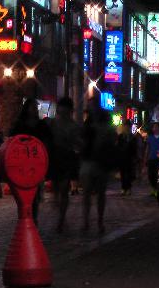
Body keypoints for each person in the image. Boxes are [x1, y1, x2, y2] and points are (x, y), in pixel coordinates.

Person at [10, 98, 53, 224]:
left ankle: (33, 219)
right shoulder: (20, 124)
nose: (34, 109)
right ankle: (23, 219)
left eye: (36, 107)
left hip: (36, 163)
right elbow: (12, 139)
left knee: (35, 194)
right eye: (32, 106)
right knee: (21, 194)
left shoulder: (41, 125)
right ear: (27, 108)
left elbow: (48, 141)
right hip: (22, 162)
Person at [80, 100, 117, 234]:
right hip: (92, 162)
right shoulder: (91, 125)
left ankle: (93, 222)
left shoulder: (96, 125)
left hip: (97, 162)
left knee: (94, 194)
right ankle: (91, 222)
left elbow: (112, 142)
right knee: (91, 194)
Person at [48, 97, 82, 232]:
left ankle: (61, 219)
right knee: (56, 190)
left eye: (64, 108)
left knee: (63, 189)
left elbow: (78, 143)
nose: (62, 110)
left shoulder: (73, 126)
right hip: (55, 157)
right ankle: (60, 215)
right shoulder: (52, 123)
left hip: (67, 158)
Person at [117, 120, 137, 196]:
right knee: (122, 173)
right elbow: (118, 147)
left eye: (128, 126)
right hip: (122, 157)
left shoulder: (132, 137)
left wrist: (135, 157)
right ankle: (123, 188)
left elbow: (134, 148)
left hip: (130, 157)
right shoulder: (120, 136)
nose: (126, 128)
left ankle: (128, 188)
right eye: (125, 126)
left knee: (129, 173)